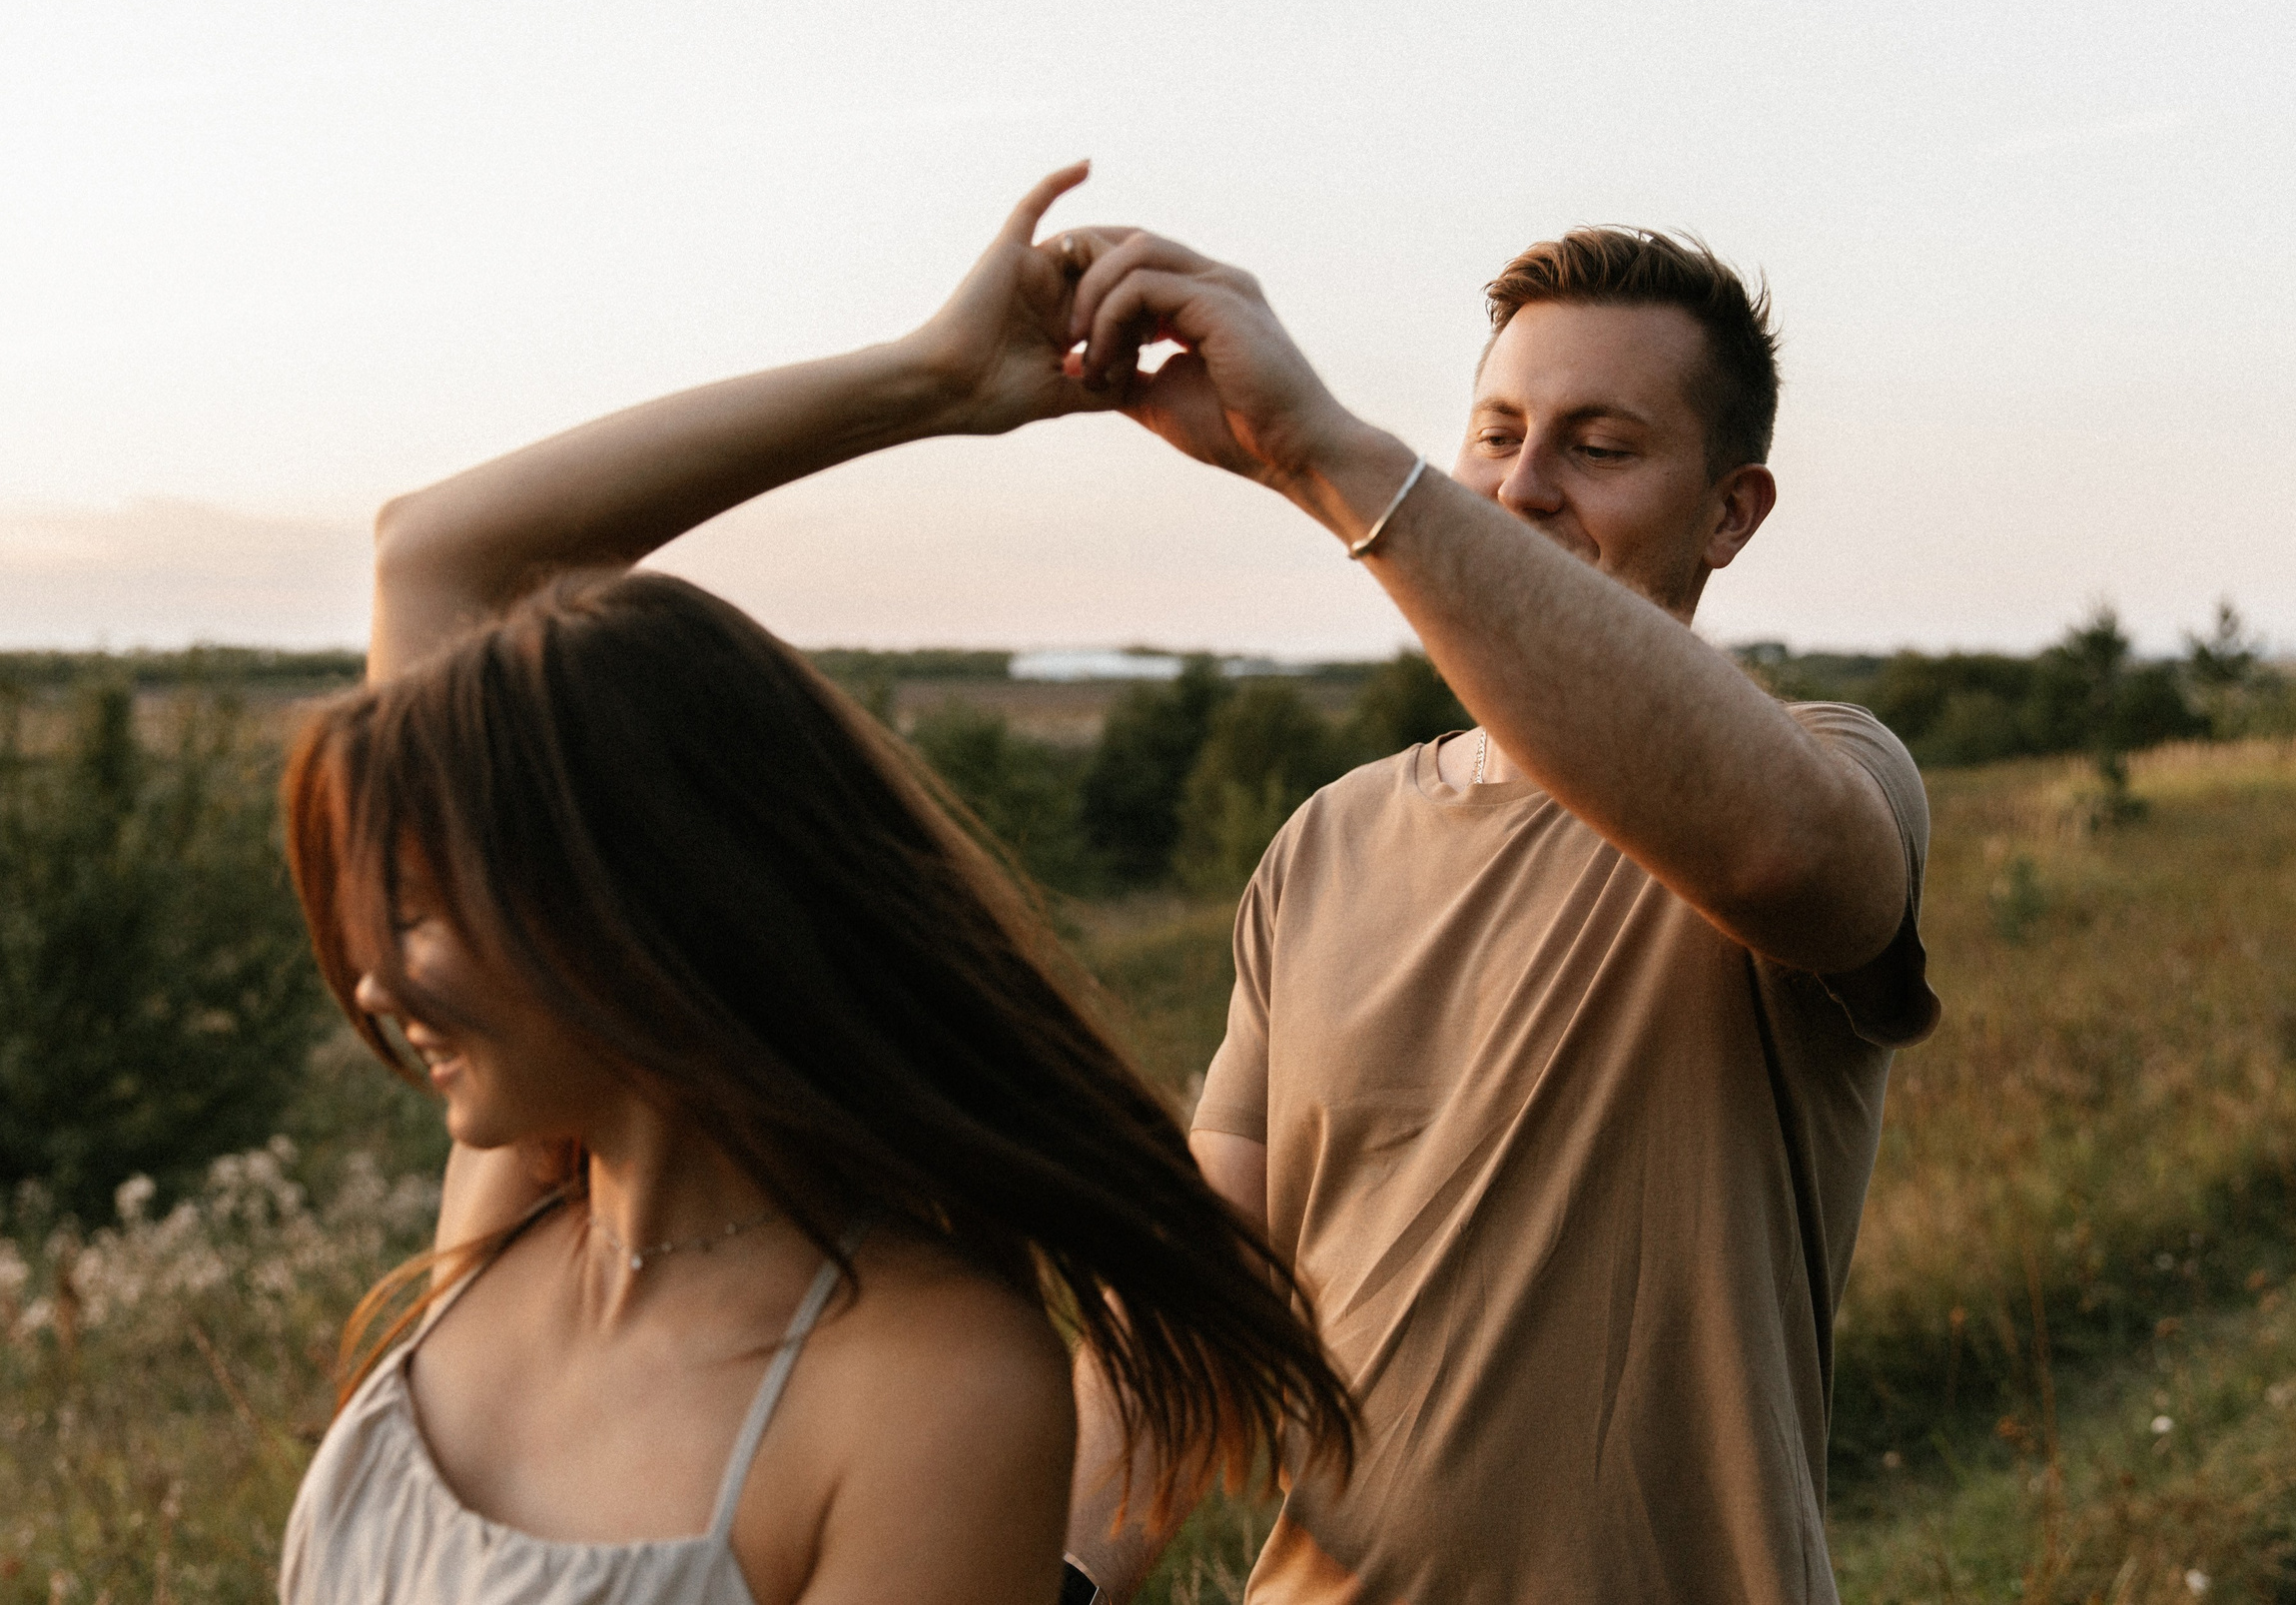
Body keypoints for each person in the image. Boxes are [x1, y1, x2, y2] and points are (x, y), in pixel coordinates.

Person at [275, 165, 1354, 1605]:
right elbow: (434, 551)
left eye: (419, 913)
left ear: (617, 910)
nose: (370, 980)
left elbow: (449, 558)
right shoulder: (525, 1213)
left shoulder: (923, 1386)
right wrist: (933, 378)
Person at [1055, 224, 1940, 1602]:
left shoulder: (1833, 773)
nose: (1521, 488)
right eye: (1495, 436)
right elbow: (1195, 1310)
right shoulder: (1324, 843)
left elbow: (1782, 860)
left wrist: (1324, 457)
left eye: (1598, 447)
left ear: (1729, 512)